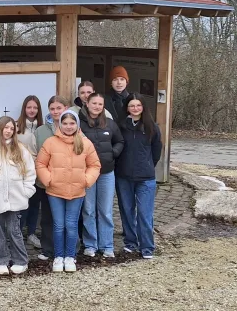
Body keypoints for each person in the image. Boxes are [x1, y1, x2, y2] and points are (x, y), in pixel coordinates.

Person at [36, 110, 101, 273]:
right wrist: (48, 179)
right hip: (55, 190)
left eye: (72, 123)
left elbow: (95, 165)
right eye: (65, 123)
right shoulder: (50, 142)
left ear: (77, 124)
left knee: (71, 225)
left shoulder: (85, 143)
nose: (68, 126)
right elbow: (40, 164)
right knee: (58, 225)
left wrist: (86, 180)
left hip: (76, 191)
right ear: (60, 124)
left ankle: (70, 256)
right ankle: (58, 256)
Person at [0, 116, 36, 275]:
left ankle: (21, 260)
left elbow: (30, 172)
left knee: (14, 230)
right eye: (6, 128)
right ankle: (1, 260)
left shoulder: (21, 149)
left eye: (11, 128)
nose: (8, 131)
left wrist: (27, 192)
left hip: (16, 198)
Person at [116, 93, 162, 259]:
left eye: (138, 105)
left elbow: (156, 151)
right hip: (124, 176)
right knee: (127, 211)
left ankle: (147, 246)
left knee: (144, 213)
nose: (135, 108)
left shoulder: (152, 127)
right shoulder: (121, 126)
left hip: (145, 178)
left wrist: (148, 165)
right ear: (127, 108)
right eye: (131, 106)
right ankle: (130, 242)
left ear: (143, 107)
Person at [78, 93, 124, 258]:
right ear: (87, 104)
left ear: (103, 106)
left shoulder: (110, 124)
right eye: (94, 103)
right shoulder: (80, 124)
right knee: (89, 210)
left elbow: (120, 141)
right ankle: (90, 245)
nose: (96, 106)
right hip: (87, 172)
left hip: (106, 172)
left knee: (105, 210)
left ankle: (107, 246)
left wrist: (113, 153)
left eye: (100, 104)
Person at [32, 95, 70, 261]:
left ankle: (69, 250)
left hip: (68, 182)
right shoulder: (40, 131)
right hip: (46, 182)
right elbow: (35, 154)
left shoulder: (71, 127)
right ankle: (48, 249)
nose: (55, 111)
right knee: (47, 217)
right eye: (52, 108)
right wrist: (44, 176)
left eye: (58, 108)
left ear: (65, 109)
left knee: (68, 218)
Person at [15, 95, 43, 249]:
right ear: (24, 109)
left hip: (37, 172)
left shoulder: (42, 127)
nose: (32, 110)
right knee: (21, 205)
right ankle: (17, 234)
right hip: (21, 173)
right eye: (29, 107)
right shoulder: (16, 127)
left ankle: (31, 233)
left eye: (35, 108)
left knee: (34, 204)